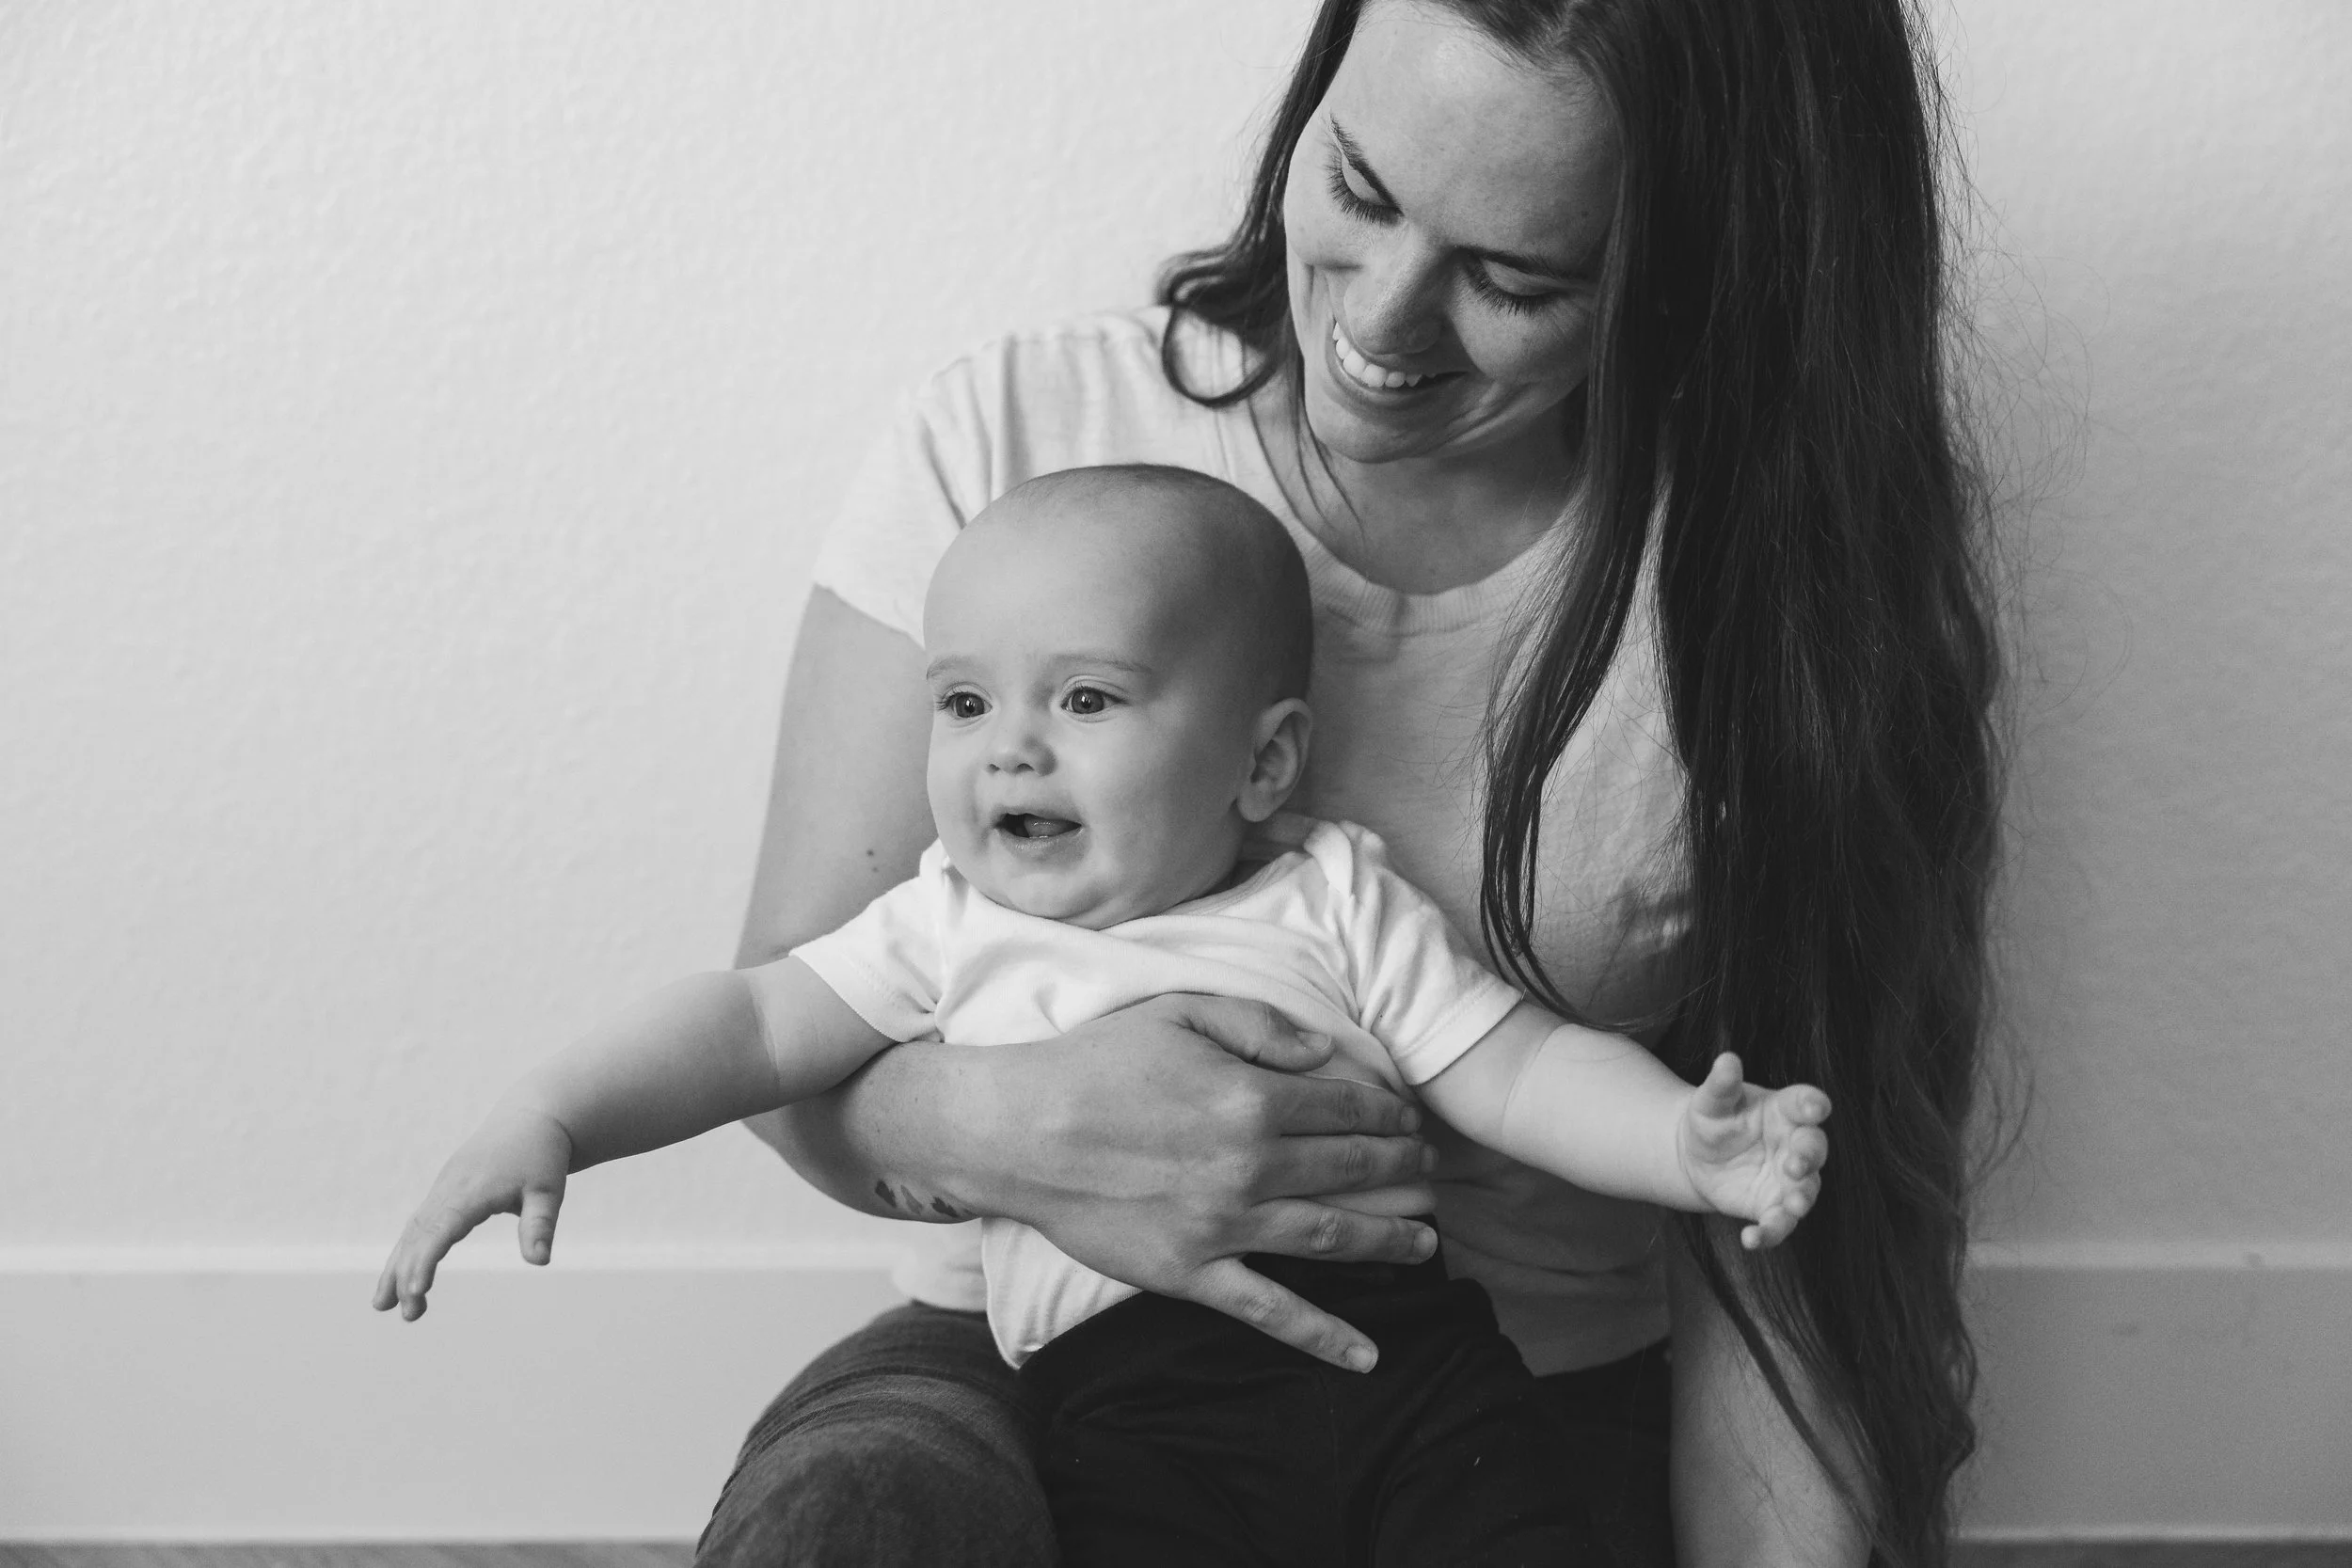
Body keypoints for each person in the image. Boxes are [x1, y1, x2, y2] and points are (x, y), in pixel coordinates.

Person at [709, 2, 2001, 1565]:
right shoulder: (1013, 439)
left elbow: (1787, 1234)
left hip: (1492, 1394)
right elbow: (774, 1038)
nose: (1382, 323)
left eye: (1516, 279)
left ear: (1692, 279)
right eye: (1360, 187)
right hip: (1030, 1363)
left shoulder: (1776, 588)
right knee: (852, 1526)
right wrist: (1025, 1126)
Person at [374, 465, 1834, 1563]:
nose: (1009, 746)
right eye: (963, 702)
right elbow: (754, 1031)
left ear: (1263, 763)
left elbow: (1514, 1068)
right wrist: (556, 1110)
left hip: (1413, 1376)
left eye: (1082, 698)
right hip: (1136, 1416)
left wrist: (1685, 1143)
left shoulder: (1330, 895)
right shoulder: (948, 928)